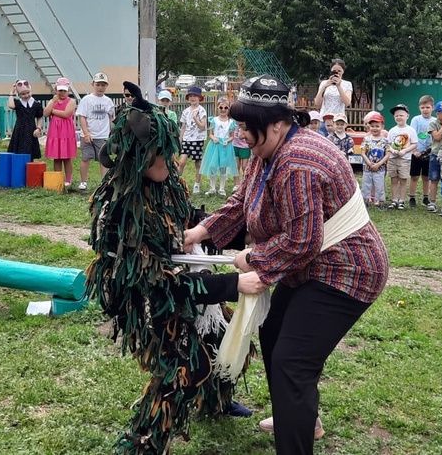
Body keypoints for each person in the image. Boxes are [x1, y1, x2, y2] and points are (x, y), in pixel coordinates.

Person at [184, 75, 388, 455]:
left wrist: (252, 260)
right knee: (274, 332)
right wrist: (200, 232)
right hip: (310, 266)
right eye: (241, 126)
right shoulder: (268, 152)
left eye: (248, 127)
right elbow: (241, 203)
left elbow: (301, 240)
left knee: (292, 362)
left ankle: (297, 432)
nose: (242, 134)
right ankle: (301, 418)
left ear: (277, 124)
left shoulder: (298, 163)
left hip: (346, 271)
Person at [88, 81, 252, 454]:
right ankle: (142, 442)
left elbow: (192, 220)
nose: (167, 160)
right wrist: (232, 285)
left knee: (224, 337)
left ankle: (217, 401)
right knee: (182, 369)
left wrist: (223, 233)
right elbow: (160, 283)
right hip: (147, 301)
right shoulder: (121, 210)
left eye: (167, 152)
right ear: (135, 154)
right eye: (156, 154)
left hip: (184, 278)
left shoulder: (168, 183)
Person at [76, 72, 115, 191]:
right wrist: (86, 133)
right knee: (86, 158)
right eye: (98, 84)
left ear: (106, 86)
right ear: (93, 84)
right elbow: (82, 116)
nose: (100, 87)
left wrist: (111, 133)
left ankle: (104, 182)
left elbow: (111, 117)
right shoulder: (87, 100)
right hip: (88, 135)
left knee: (104, 160)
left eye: (103, 85)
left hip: (102, 135)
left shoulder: (108, 101)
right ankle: (83, 181)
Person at [44, 77, 77, 188]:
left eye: (64, 90)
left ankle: (68, 179)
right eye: (60, 90)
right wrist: (53, 102)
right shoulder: (52, 101)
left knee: (66, 157)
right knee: (57, 156)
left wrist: (53, 111)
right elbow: (45, 113)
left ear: (68, 91)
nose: (62, 93)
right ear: (56, 90)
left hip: (66, 131)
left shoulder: (71, 101)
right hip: (55, 131)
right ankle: (58, 179)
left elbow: (66, 114)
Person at [201, 97, 238, 196]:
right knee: (212, 166)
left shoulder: (231, 122)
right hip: (215, 146)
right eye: (221, 107)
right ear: (217, 108)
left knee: (223, 167)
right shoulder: (214, 120)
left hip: (225, 147)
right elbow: (210, 133)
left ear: (228, 109)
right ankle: (212, 187)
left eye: (226, 108)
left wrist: (228, 140)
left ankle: (222, 188)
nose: (223, 110)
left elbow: (232, 136)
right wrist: (213, 138)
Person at [386, 104, 418, 210]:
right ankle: (394, 200)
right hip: (393, 159)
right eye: (396, 115)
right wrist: (393, 150)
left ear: (407, 116)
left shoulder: (411, 130)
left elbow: (414, 144)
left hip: (405, 159)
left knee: (403, 180)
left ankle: (402, 200)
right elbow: (388, 144)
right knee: (394, 179)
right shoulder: (392, 130)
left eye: (401, 115)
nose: (399, 117)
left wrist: (404, 150)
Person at [178, 86, 208, 194]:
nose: (192, 98)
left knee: (198, 163)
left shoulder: (202, 111)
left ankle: (197, 184)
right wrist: (180, 140)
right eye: (190, 96)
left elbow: (202, 126)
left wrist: (195, 118)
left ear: (199, 98)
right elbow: (183, 127)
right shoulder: (185, 111)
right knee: (181, 162)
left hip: (198, 140)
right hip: (187, 139)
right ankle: (177, 182)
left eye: (195, 96)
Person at [6, 78, 43, 160]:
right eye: (23, 94)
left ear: (31, 91)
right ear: (19, 95)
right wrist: (11, 93)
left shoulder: (36, 104)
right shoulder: (18, 103)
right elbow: (11, 105)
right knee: (19, 151)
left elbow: (39, 116)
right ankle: (18, 167)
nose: (26, 95)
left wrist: (38, 128)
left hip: (31, 131)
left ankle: (30, 168)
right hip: (20, 131)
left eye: (28, 93)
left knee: (30, 152)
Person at [408, 95, 434, 208]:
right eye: (423, 107)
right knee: (414, 176)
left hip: (429, 153)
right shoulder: (416, 119)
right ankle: (412, 197)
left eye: (427, 107)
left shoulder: (435, 121)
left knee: (426, 177)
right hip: (416, 152)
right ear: (419, 108)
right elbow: (411, 135)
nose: (425, 109)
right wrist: (414, 151)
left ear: (432, 108)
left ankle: (425, 197)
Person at [361, 111, 388, 207]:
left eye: (377, 126)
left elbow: (387, 154)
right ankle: (365, 200)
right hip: (367, 168)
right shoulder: (366, 139)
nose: (374, 128)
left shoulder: (385, 141)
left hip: (380, 168)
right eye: (372, 126)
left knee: (379, 184)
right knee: (366, 184)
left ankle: (379, 201)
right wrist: (369, 163)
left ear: (382, 127)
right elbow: (363, 152)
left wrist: (378, 164)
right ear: (369, 127)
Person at [232, 121, 251, 192]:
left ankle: (245, 184)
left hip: (245, 146)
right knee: (236, 166)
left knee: (244, 166)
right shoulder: (233, 121)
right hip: (235, 145)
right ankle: (236, 185)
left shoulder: (246, 120)